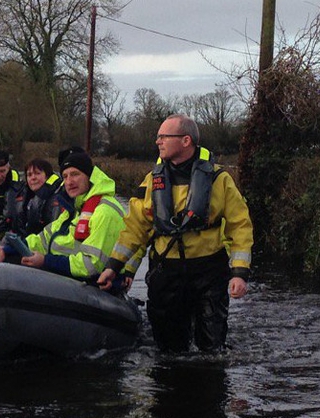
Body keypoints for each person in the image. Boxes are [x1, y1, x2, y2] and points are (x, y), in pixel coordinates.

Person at [97, 114, 253, 353]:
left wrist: (239, 273)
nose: (158, 141)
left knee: (211, 347)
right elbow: (135, 228)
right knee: (168, 347)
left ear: (186, 141)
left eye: (164, 136)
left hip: (208, 272)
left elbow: (239, 225)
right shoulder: (152, 180)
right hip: (166, 271)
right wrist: (113, 267)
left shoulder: (219, 179)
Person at [0, 151, 127, 285]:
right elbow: (43, 240)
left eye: (75, 174)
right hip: (70, 278)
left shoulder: (104, 212)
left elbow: (90, 266)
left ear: (89, 176)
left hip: (93, 286)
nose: (69, 182)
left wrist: (45, 261)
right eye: (65, 176)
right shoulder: (75, 208)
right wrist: (8, 249)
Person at [12, 158, 62, 237]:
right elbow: (15, 230)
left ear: (47, 177)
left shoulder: (57, 199)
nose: (33, 178)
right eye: (29, 175)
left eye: (37, 173)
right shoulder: (24, 196)